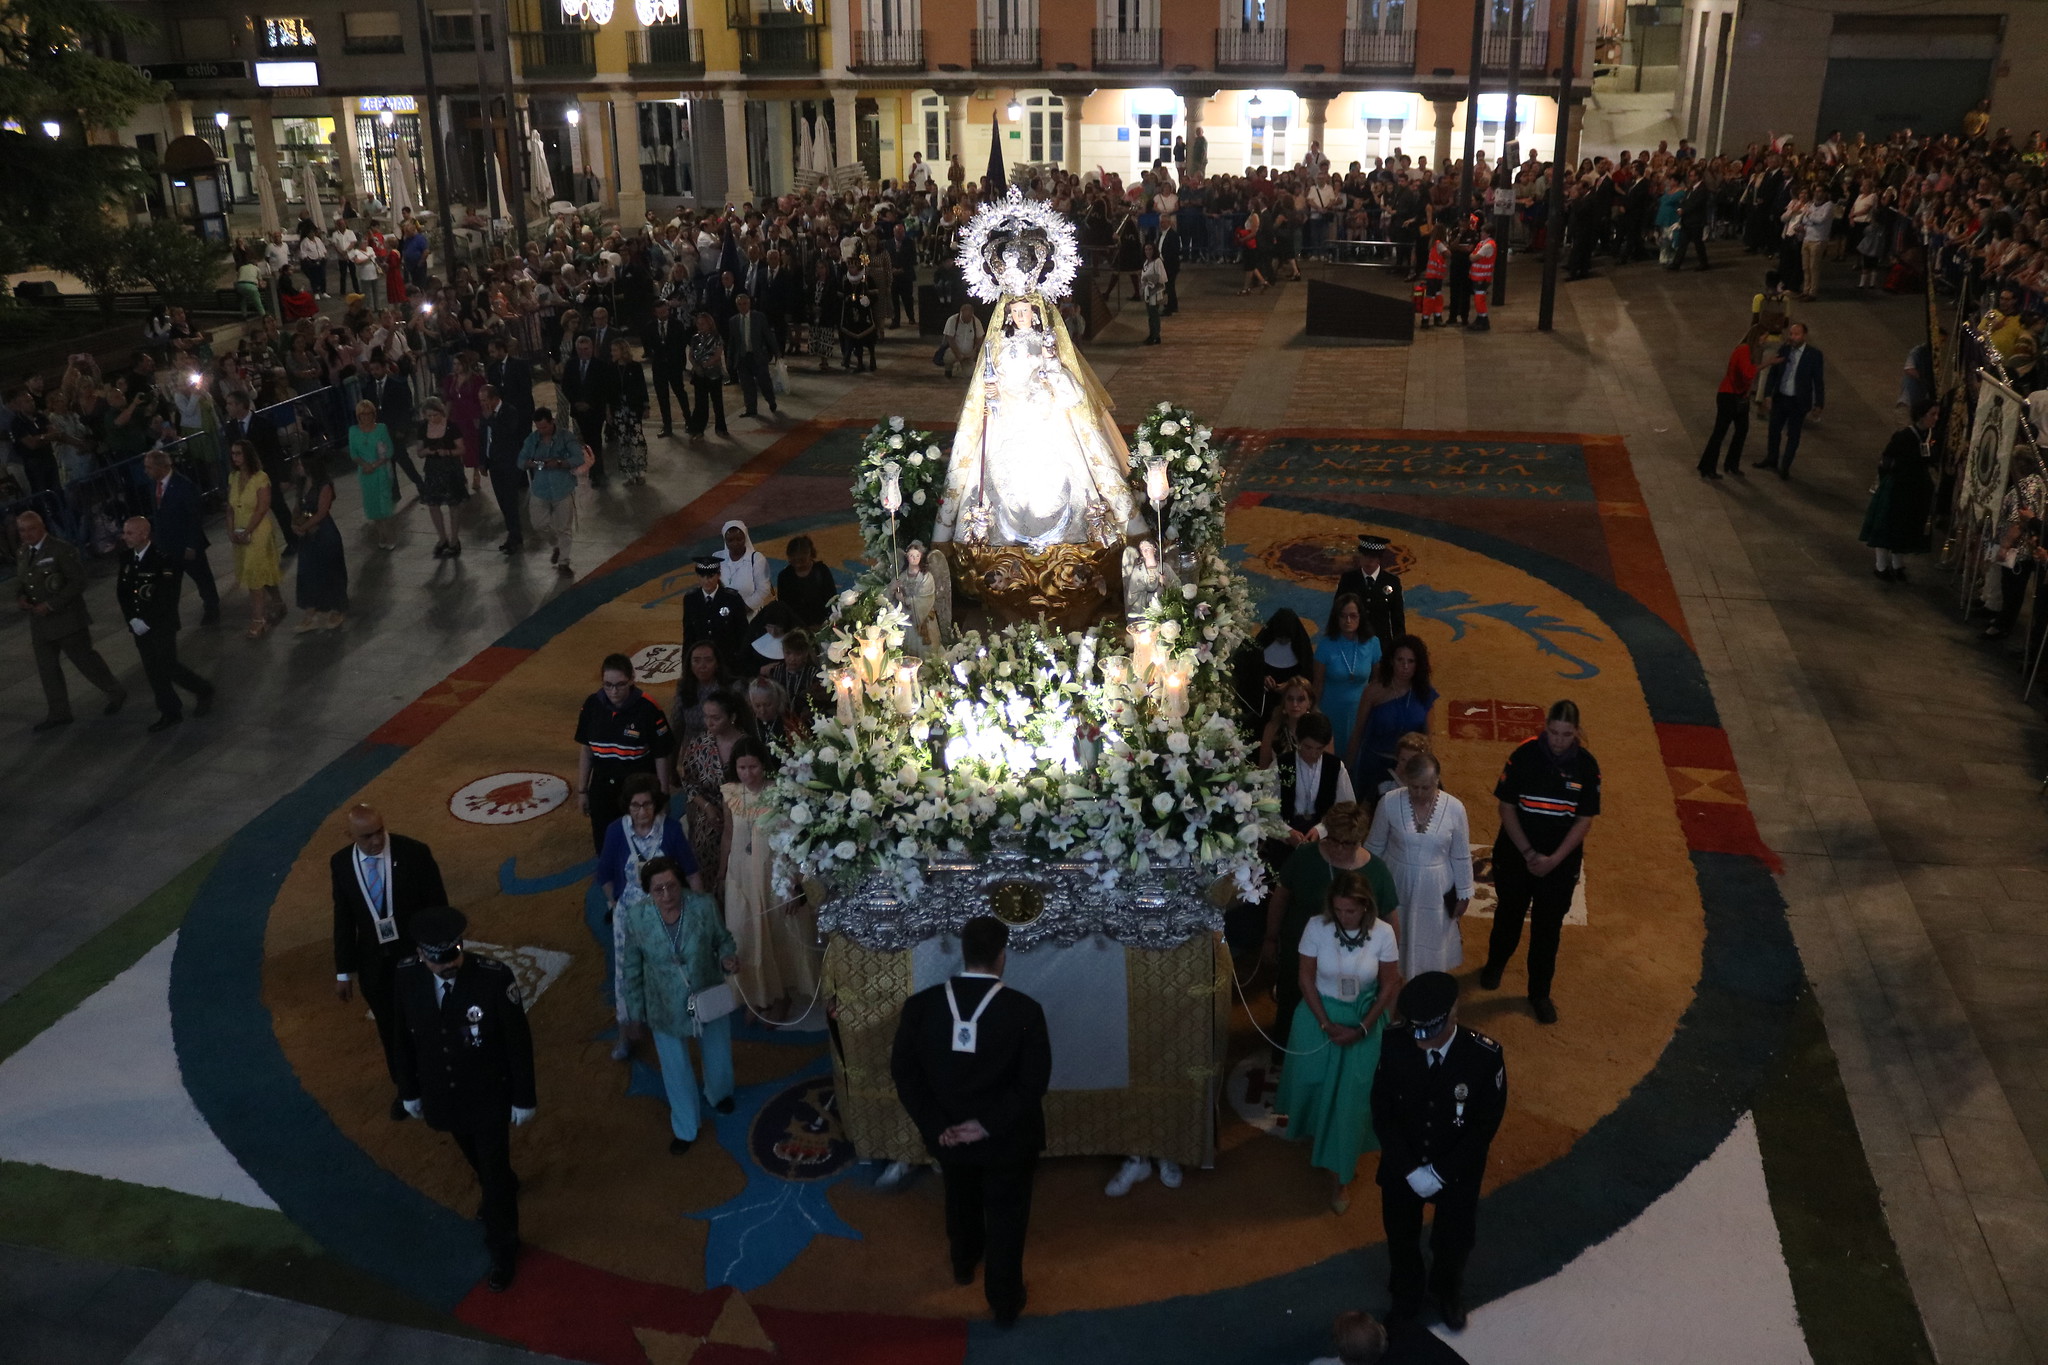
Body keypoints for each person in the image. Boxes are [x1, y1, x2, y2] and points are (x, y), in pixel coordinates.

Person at [889, 915, 1051, 1328]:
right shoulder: (1025, 1011)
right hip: (1007, 1139)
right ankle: (1004, 1300)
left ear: (964, 952)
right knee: (1008, 1214)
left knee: (959, 1196)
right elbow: (1033, 1083)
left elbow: (904, 1073)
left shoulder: (920, 1007)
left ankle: (963, 1262)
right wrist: (988, 1124)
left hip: (947, 1136)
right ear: (1002, 957)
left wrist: (934, 1123)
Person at [392, 907, 536, 1293]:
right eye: (441, 960)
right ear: (422, 955)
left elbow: (517, 1041)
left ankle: (503, 1248)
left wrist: (523, 1097)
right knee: (476, 1157)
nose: (451, 964)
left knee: (491, 1176)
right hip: (443, 1095)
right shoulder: (406, 976)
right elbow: (401, 1039)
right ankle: (502, 1182)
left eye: (455, 954)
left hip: (489, 1094)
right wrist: (409, 1090)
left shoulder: (493, 978)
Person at [933, 291, 1144, 550]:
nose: (1021, 316)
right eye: (1016, 311)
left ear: (1036, 313)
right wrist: (992, 390)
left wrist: (1051, 366)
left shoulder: (1047, 341)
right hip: (1008, 416)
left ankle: (1073, 530)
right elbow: (992, 378)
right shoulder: (999, 343)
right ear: (1008, 313)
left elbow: (1065, 385)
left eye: (1026, 310)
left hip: (1045, 414)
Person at [1371, 972, 1506, 1330]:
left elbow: (1484, 1125)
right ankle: (1407, 1292)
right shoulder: (1395, 1042)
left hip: (1457, 1168)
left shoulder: (1484, 1056)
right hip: (1405, 1164)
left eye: (1429, 1034)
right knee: (1401, 1236)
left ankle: (1448, 1291)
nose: (1420, 1043)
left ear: (1453, 1014)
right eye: (1416, 1033)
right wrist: (1409, 1168)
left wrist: (1441, 1173)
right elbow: (1382, 1110)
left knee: (1454, 1239)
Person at [1273, 868, 1402, 1213]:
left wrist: (1362, 1029)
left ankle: (1340, 1177)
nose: (1345, 917)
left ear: (1365, 907)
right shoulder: (1317, 926)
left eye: (1352, 911)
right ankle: (1315, 1137)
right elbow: (1305, 977)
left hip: (1364, 1018)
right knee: (1313, 1086)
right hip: (1318, 1017)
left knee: (1350, 1102)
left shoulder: (1384, 933)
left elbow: (1390, 984)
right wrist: (1326, 1023)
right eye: (1340, 910)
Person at [1480, 699, 1599, 1025]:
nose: (1559, 740)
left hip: (1559, 864)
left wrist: (1555, 859)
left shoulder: (1587, 766)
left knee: (1548, 930)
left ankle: (1539, 993)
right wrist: (1530, 854)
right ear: (1545, 727)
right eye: (1554, 732)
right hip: (1517, 855)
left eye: (1566, 734)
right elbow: (1506, 808)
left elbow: (1584, 819)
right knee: (1508, 914)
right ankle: (1495, 964)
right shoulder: (1523, 755)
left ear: (1577, 732)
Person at [331, 803, 449, 1120]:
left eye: (379, 831)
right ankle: (407, 1090)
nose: (376, 840)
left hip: (417, 959)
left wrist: (440, 954)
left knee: (429, 1022)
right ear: (350, 835)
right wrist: (344, 971)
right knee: (390, 1030)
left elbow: (437, 907)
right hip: (375, 967)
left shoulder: (414, 853)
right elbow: (343, 919)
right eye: (367, 836)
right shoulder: (340, 864)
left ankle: (443, 1082)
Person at [620, 856, 737, 1153]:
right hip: (664, 1004)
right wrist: (634, 1014)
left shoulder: (703, 905)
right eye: (658, 890)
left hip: (706, 990)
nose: (667, 895)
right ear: (648, 891)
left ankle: (719, 1093)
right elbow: (631, 968)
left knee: (718, 1050)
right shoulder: (636, 917)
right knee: (675, 1068)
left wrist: (727, 958)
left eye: (672, 887)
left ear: (681, 884)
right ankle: (686, 1128)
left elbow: (723, 940)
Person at [1265, 801, 1398, 1051]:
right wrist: (1271, 938)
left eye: (1346, 843)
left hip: (1353, 959)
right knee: (1292, 999)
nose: (1337, 848)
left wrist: (1389, 961)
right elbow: (1281, 896)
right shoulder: (1305, 856)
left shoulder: (1377, 871)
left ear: (1360, 840)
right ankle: (1286, 1052)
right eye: (1333, 839)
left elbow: (1390, 919)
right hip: (1300, 949)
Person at [598, 774, 704, 1059]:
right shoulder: (615, 832)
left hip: (666, 911)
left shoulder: (669, 830)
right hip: (629, 915)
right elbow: (605, 874)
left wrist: (699, 909)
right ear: (627, 806)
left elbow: (692, 871)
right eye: (635, 806)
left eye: (647, 805)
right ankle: (627, 1030)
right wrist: (614, 902)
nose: (642, 812)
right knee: (626, 973)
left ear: (656, 805)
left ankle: (672, 1024)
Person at [721, 736, 817, 1021]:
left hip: (773, 875)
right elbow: (728, 833)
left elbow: (796, 839)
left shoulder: (780, 794)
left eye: (753, 767)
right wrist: (720, 870)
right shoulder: (731, 793)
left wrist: (794, 881)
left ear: (764, 766)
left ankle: (782, 995)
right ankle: (758, 995)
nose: (747, 774)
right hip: (739, 874)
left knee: (777, 935)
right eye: (741, 767)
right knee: (745, 935)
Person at [14, 510, 127, 731]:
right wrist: (21, 597)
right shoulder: (23, 552)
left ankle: (116, 692)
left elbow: (78, 582)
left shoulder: (60, 550)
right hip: (40, 624)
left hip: (67, 620)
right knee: (47, 669)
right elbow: (24, 580)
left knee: (86, 662)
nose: (26, 534)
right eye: (21, 530)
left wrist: (52, 604)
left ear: (42, 527)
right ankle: (59, 712)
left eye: (31, 529)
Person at [1367, 752, 1474, 978]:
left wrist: (1464, 893)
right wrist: (1367, 886)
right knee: (1394, 947)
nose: (1419, 793)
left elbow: (1461, 854)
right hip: (1397, 885)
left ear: (1436, 781)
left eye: (1425, 788)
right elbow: (1374, 848)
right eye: (1413, 787)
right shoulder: (1388, 802)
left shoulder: (1455, 808)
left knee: (1431, 948)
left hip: (1436, 891)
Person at [115, 515, 214, 732]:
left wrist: (147, 621)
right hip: (138, 624)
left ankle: (202, 689)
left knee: (168, 665)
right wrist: (132, 619)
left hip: (161, 624)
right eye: (124, 532)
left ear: (144, 534)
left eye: (130, 533)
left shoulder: (164, 560)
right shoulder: (126, 559)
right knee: (152, 669)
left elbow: (167, 597)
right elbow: (123, 593)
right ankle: (170, 711)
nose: (125, 537)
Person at [576, 651, 678, 856]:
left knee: (643, 845)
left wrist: (663, 796)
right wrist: (582, 791)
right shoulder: (592, 705)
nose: (613, 691)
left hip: (637, 789)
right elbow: (586, 750)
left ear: (632, 679)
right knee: (606, 846)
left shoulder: (648, 708)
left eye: (620, 684)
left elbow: (661, 755)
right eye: (607, 685)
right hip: (602, 788)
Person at [1861, 399, 1940, 583]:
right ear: (1921, 415)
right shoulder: (1904, 436)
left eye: (1937, 414)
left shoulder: (1930, 436)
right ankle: (1881, 566)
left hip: (1916, 489)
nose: (1935, 418)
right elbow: (1887, 459)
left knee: (1904, 528)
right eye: (1932, 414)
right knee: (1887, 527)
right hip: (1897, 488)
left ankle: (1897, 564)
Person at [1350, 636, 1437, 797]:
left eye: (1411, 661)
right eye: (1400, 660)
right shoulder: (1373, 691)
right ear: (1391, 661)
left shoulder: (1424, 694)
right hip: (1375, 767)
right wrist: (1348, 768)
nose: (1405, 667)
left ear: (1418, 665)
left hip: (1411, 770)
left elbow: (1428, 739)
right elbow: (1358, 732)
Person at [143, 450, 220, 624]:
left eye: (149, 467)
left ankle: (212, 606)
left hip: (186, 544)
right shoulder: (152, 486)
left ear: (162, 467)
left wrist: (192, 545)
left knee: (201, 577)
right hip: (167, 545)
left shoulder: (184, 485)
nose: (146, 471)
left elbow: (194, 517)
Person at [1697, 326, 1782, 479]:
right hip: (1728, 396)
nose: (1765, 341)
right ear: (1757, 336)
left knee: (1742, 430)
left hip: (1740, 397)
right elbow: (1748, 373)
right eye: (1764, 337)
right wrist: (1768, 363)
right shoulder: (1744, 350)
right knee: (1720, 432)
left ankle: (1731, 464)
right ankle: (1707, 467)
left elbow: (1748, 377)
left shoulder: (1752, 352)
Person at [226, 439, 287, 638]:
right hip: (240, 530)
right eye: (233, 454)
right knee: (262, 570)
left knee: (254, 573)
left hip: (258, 530)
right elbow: (231, 508)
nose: (235, 458)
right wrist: (231, 531)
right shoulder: (233, 478)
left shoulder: (261, 478)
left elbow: (262, 507)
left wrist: (248, 530)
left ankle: (258, 620)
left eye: (238, 454)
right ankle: (277, 600)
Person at [1315, 594, 1381, 764]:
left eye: (1353, 616)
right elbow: (1318, 683)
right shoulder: (1326, 644)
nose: (1348, 621)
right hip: (1330, 712)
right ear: (1336, 618)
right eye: (1343, 616)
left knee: (1357, 760)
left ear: (1361, 617)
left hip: (1360, 713)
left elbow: (1377, 682)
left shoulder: (1373, 643)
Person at [519, 406, 584, 576]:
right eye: (539, 428)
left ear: (552, 422)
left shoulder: (566, 437)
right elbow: (520, 460)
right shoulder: (532, 439)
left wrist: (560, 463)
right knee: (538, 524)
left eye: (545, 427)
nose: (542, 431)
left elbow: (578, 458)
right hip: (540, 489)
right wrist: (531, 463)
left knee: (564, 528)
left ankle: (564, 562)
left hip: (562, 487)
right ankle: (556, 544)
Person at [291, 448, 349, 630]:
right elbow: (297, 507)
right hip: (307, 534)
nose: (297, 467)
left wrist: (303, 527)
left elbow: (322, 512)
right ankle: (310, 614)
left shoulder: (324, 486)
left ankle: (337, 609)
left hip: (323, 534)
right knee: (307, 572)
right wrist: (295, 523)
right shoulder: (302, 484)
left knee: (330, 571)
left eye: (300, 464)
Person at [1757, 320, 1824, 481]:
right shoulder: (1785, 349)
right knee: (1774, 430)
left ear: (1804, 336)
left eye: (1797, 334)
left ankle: (1785, 466)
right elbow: (1773, 373)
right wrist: (1767, 394)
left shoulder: (1813, 355)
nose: (1793, 337)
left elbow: (1818, 381)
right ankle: (1771, 458)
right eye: (1791, 334)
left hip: (1798, 402)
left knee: (1793, 435)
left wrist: (1819, 403)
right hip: (1781, 398)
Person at [477, 384, 529, 556]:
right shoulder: (485, 414)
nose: (482, 403)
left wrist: (491, 418)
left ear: (494, 398)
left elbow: (507, 434)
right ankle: (513, 533)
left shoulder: (509, 411)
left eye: (485, 400)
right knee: (502, 501)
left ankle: (514, 535)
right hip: (494, 464)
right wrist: (482, 461)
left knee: (510, 501)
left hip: (508, 463)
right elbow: (484, 438)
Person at [558, 333, 614, 487]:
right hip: (579, 410)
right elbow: (566, 386)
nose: (584, 352)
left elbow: (603, 389)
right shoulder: (571, 364)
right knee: (587, 441)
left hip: (595, 410)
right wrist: (576, 402)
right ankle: (592, 469)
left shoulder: (600, 366)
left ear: (592, 348)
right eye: (581, 349)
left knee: (595, 440)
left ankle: (598, 472)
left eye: (587, 349)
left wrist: (589, 403)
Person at [1334, 535, 1406, 652]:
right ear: (1360, 556)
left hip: (1381, 644)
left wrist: (1399, 647)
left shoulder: (1392, 582)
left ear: (1379, 558)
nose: (1369, 560)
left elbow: (1397, 618)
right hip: (1352, 642)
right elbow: (1337, 611)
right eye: (1366, 555)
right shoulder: (1348, 579)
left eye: (1373, 556)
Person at [417, 398, 469, 559]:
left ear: (441, 412)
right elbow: (419, 452)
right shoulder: (423, 428)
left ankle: (454, 540)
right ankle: (442, 538)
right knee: (433, 504)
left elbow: (462, 449)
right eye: (429, 416)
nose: (432, 419)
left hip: (451, 470)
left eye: (435, 415)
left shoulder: (451, 427)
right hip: (433, 470)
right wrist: (427, 451)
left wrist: (447, 452)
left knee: (454, 505)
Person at [684, 555, 752, 673]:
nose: (706, 580)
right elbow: (689, 635)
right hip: (702, 664)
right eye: (702, 576)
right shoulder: (691, 599)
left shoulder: (732, 599)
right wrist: (686, 667)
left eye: (710, 576)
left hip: (728, 663)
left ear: (718, 575)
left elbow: (742, 633)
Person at [348, 398, 400, 552]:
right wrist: (365, 465)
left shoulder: (381, 429)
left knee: (384, 506)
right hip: (365, 473)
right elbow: (353, 453)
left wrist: (375, 465)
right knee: (373, 506)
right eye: (363, 414)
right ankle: (381, 535)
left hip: (381, 471)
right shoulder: (353, 431)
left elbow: (389, 450)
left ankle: (390, 536)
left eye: (369, 413)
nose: (366, 416)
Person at [729, 292, 779, 421]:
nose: (742, 307)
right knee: (747, 385)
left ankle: (771, 400)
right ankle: (751, 409)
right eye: (739, 304)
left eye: (744, 304)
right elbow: (732, 342)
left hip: (757, 356)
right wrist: (730, 360)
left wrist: (777, 353)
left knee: (764, 381)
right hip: (742, 357)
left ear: (749, 304)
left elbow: (768, 335)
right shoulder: (734, 321)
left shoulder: (759, 317)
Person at [643, 298, 689, 438]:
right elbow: (648, 345)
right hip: (659, 367)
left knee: (680, 392)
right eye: (659, 311)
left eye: (665, 310)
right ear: (655, 312)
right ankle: (667, 425)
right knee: (662, 397)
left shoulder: (677, 325)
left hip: (674, 365)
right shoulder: (650, 326)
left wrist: (681, 364)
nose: (663, 313)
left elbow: (682, 345)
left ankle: (688, 420)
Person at [776, 533, 838, 631]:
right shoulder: (784, 576)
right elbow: (783, 606)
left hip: (822, 625)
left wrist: (825, 625)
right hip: (796, 629)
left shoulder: (822, 571)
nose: (798, 565)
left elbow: (832, 600)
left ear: (810, 555)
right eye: (793, 561)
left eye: (802, 560)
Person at [685, 309, 729, 439]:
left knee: (717, 402)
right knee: (700, 403)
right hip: (699, 374)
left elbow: (717, 355)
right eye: (698, 324)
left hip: (713, 373)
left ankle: (720, 427)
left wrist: (704, 365)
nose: (700, 326)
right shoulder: (695, 338)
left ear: (709, 324)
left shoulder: (716, 337)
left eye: (703, 323)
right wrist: (695, 366)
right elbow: (691, 355)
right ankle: (698, 429)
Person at [718, 519, 773, 617]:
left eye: (739, 539)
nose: (735, 543)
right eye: (730, 540)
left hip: (751, 617)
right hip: (724, 617)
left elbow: (764, 589)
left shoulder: (757, 559)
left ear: (745, 538)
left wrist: (743, 609)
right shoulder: (717, 558)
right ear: (725, 540)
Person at [943, 301, 983, 379]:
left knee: (969, 374)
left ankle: (962, 368)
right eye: (965, 317)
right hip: (953, 351)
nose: (967, 320)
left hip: (969, 353)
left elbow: (980, 338)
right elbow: (950, 339)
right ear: (961, 313)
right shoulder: (952, 320)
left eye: (969, 317)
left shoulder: (976, 322)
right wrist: (958, 354)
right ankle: (948, 370)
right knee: (948, 357)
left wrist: (974, 352)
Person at [1139, 242, 1168, 346]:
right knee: (1150, 315)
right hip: (1148, 291)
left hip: (1154, 292)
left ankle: (1155, 335)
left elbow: (1161, 277)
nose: (1148, 251)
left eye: (1150, 249)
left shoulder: (1157, 262)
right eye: (1146, 249)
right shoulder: (1146, 262)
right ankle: (1153, 334)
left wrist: (1148, 280)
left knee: (1154, 314)